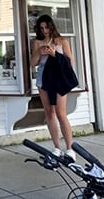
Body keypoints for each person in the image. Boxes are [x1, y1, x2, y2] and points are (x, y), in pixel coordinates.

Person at [30, 14, 77, 161]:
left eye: (46, 27)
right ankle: (57, 147)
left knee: (61, 113)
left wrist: (54, 54)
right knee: (49, 112)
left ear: (51, 27)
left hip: (59, 77)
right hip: (44, 77)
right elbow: (33, 63)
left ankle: (70, 148)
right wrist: (39, 52)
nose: (44, 31)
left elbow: (70, 62)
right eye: (41, 28)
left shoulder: (61, 41)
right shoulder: (38, 42)